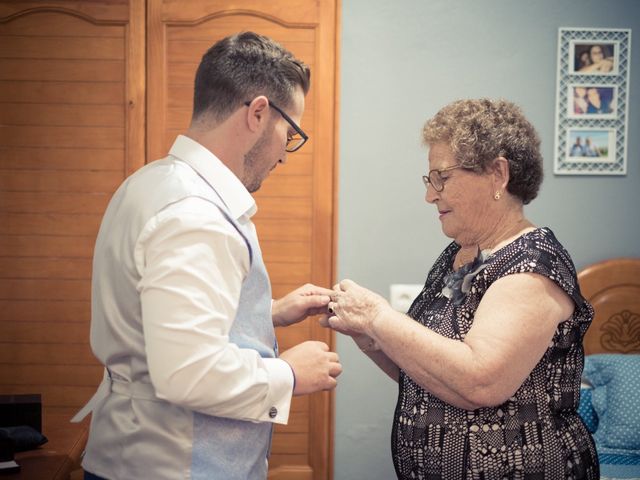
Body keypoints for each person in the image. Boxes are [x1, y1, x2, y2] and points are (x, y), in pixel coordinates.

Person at [73, 32, 342, 480]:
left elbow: (162, 319)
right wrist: (289, 376)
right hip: (174, 464)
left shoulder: (153, 182)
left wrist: (266, 314)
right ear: (258, 113)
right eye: (290, 133)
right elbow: (188, 372)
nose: (284, 156)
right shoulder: (195, 214)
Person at [323, 99, 599, 479]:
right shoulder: (462, 255)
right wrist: (369, 336)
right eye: (429, 180)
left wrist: (378, 317)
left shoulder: (532, 267)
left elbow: (479, 381)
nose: (430, 195)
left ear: (498, 174)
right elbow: (432, 369)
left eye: (442, 178)